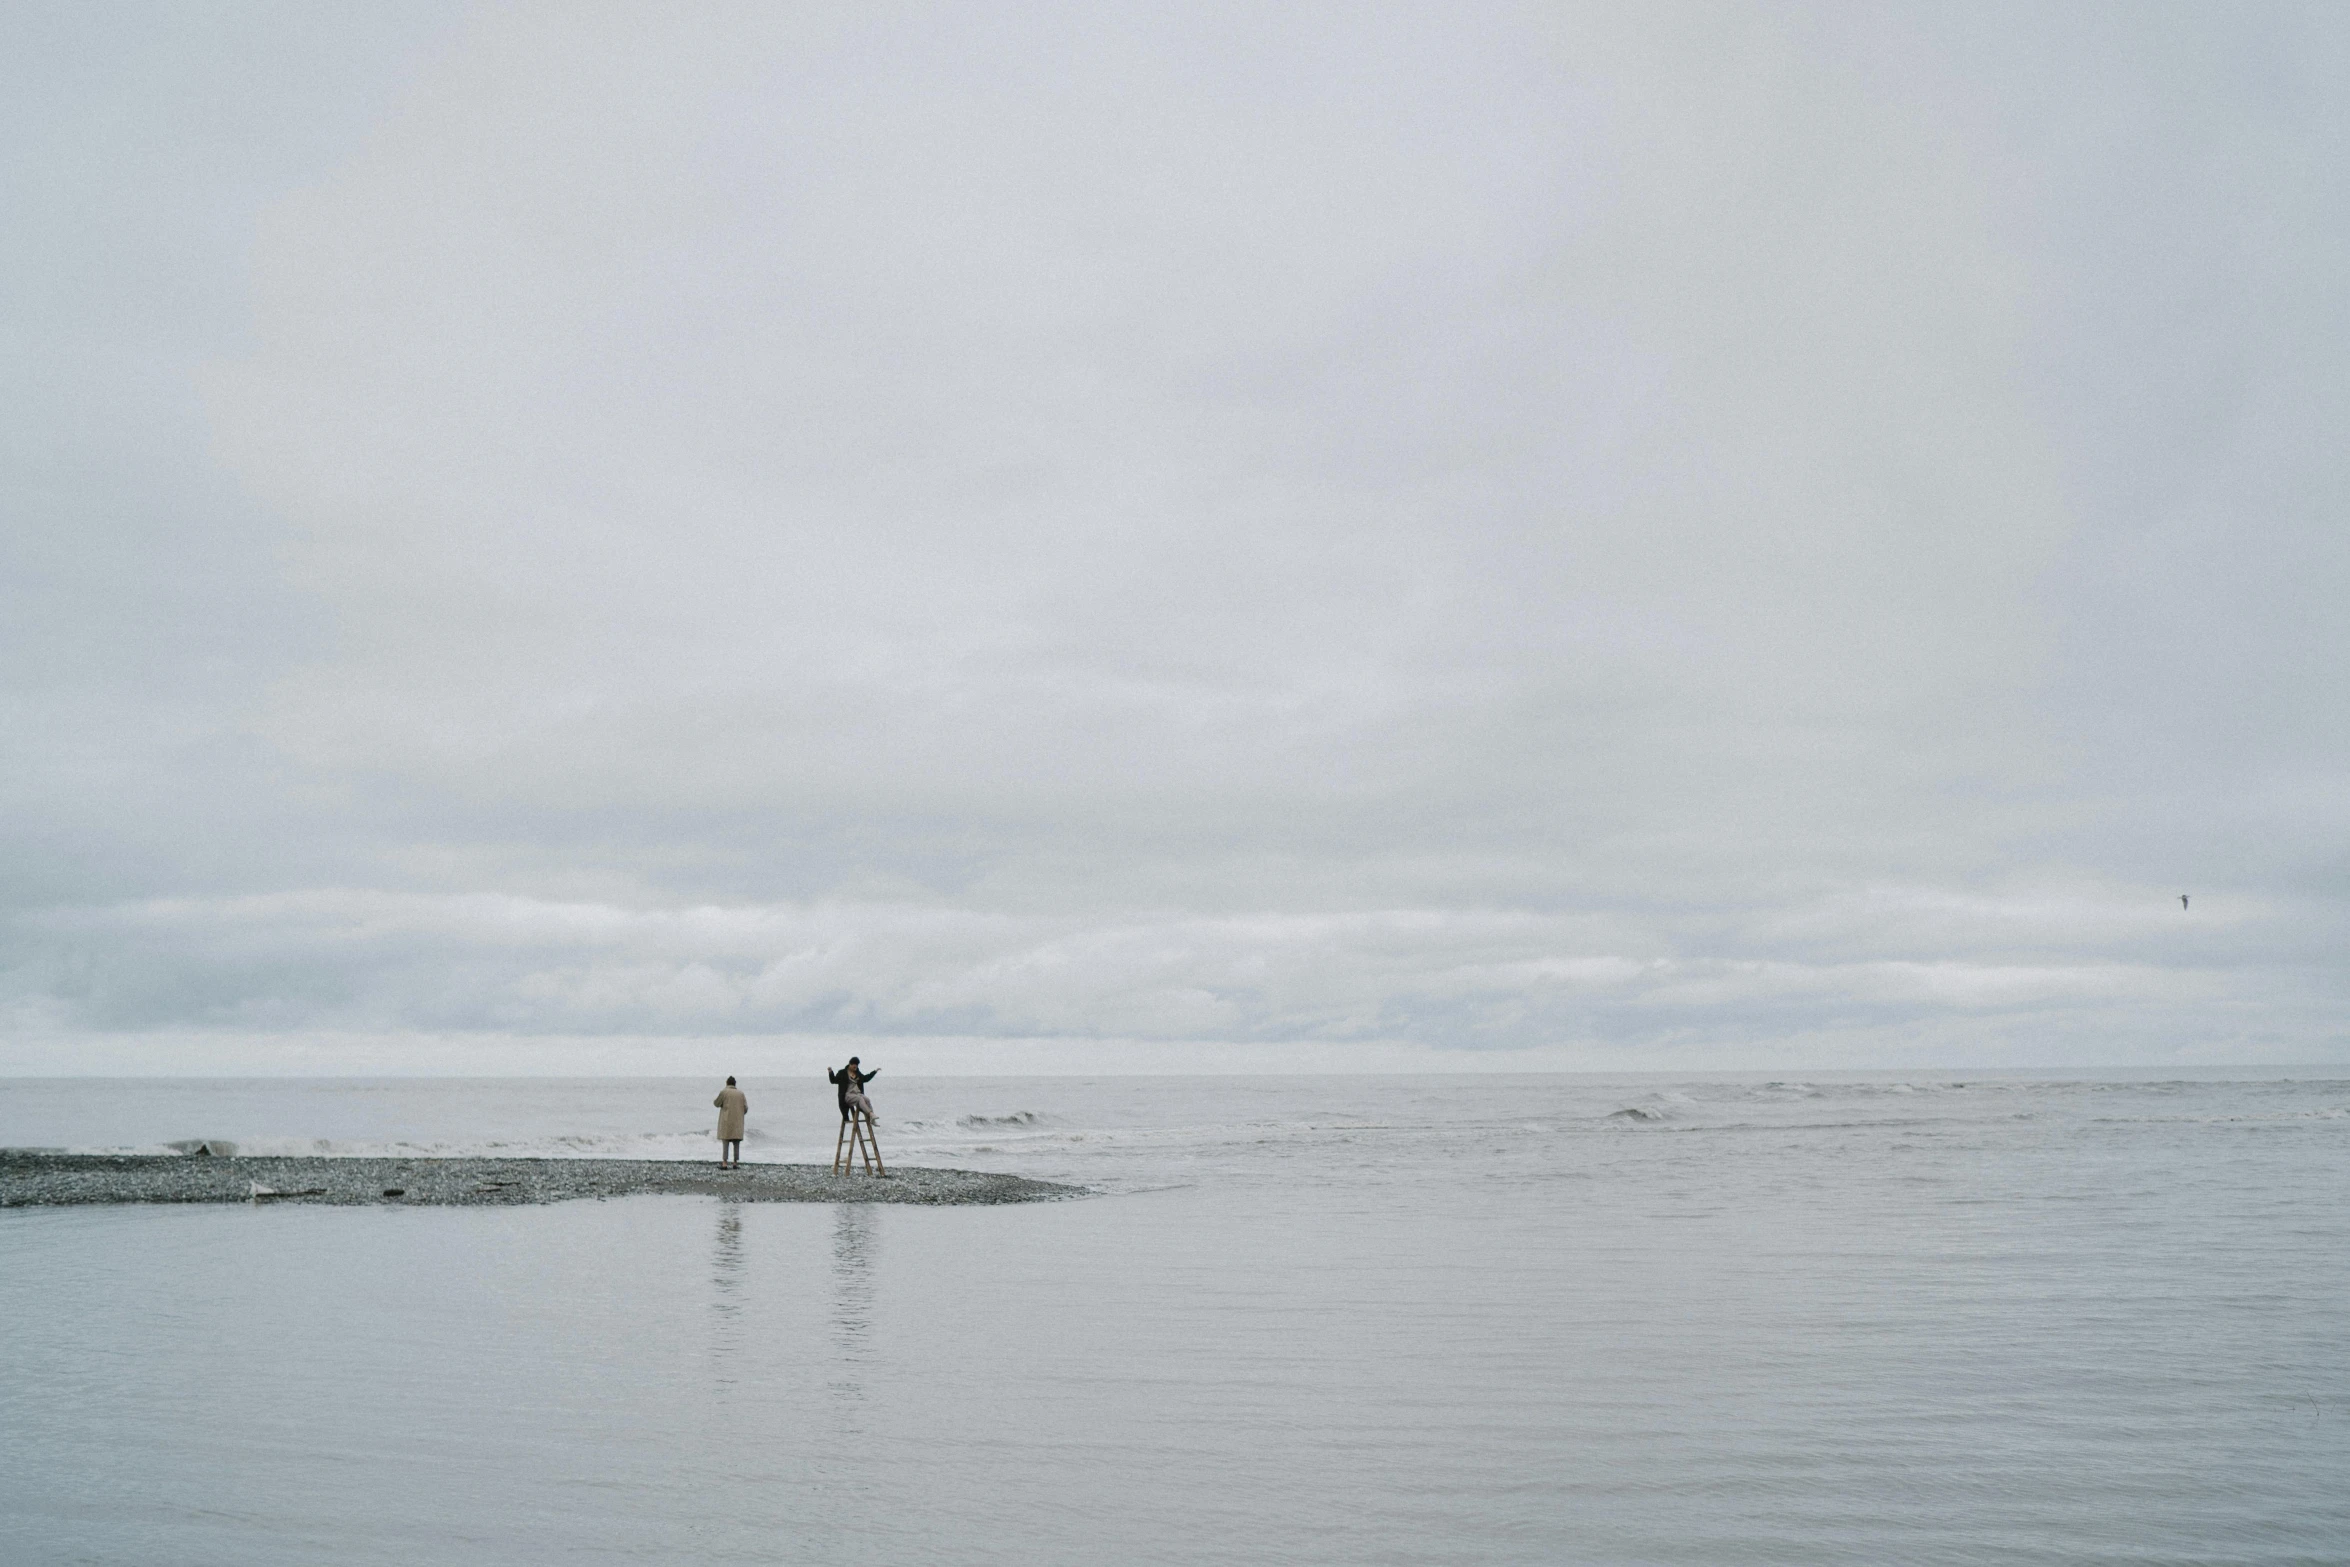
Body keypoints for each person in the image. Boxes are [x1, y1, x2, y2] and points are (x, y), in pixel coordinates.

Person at [827, 1057, 877, 1122]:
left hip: (857, 1093)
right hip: (847, 1095)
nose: (855, 1067)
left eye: (856, 1065)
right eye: (854, 1065)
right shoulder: (842, 1073)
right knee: (860, 1099)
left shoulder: (858, 1074)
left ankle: (872, 1119)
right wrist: (830, 1072)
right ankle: (871, 1114)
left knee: (867, 1099)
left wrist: (874, 1072)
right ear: (850, 1064)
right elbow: (833, 1081)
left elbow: (865, 1078)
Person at [712, 1076, 748, 1169]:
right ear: (735, 1084)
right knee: (736, 1143)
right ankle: (735, 1163)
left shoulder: (724, 1092)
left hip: (726, 1120)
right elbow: (746, 1108)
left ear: (727, 1083)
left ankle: (724, 1163)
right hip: (738, 1121)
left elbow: (716, 1103)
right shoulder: (741, 1094)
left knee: (726, 1142)